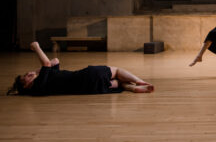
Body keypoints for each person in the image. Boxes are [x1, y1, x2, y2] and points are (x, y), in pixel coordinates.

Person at [7, 42, 154, 96]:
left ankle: (134, 89)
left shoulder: (43, 84)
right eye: (26, 76)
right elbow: (46, 64)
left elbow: (55, 61)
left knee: (118, 82)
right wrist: (37, 48)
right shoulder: (38, 86)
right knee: (116, 71)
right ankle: (140, 81)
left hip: (87, 89)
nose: (29, 73)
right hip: (86, 76)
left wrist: (35, 72)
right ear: (26, 85)